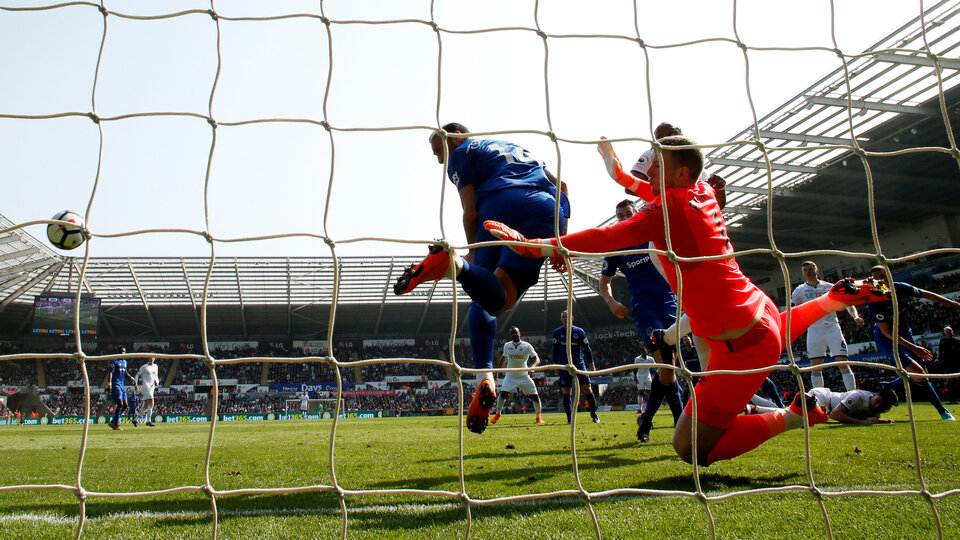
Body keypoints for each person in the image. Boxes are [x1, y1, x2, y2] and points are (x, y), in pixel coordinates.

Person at [485, 135, 891, 465]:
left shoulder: (669, 209)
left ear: (679, 172)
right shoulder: (700, 192)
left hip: (740, 344)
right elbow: (643, 188)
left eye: (658, 164)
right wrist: (619, 173)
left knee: (690, 449)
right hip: (754, 313)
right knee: (764, 335)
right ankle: (832, 299)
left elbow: (605, 237)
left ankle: (792, 417)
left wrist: (536, 247)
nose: (651, 171)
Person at [394, 122, 570, 435]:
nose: (439, 160)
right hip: (543, 209)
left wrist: (471, 254)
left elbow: (470, 210)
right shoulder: (521, 150)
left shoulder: (463, 151)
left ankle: (455, 265)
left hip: (497, 208)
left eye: (439, 150)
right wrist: (560, 241)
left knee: (488, 290)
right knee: (493, 296)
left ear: (455, 136)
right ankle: (484, 380)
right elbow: (564, 187)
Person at [599, 199, 683, 442]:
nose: (625, 216)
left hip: (670, 304)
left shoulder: (654, 235)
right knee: (666, 365)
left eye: (628, 212)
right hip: (645, 309)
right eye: (620, 215)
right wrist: (611, 302)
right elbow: (604, 282)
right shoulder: (616, 245)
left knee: (669, 370)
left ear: (637, 213)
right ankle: (680, 422)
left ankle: (646, 420)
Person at [867, 266, 958, 421]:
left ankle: (891, 386)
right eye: (876, 278)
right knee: (919, 374)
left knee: (923, 376)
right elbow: (887, 332)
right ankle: (943, 411)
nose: (880, 280)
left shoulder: (901, 288)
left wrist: (954, 304)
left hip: (905, 334)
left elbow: (927, 294)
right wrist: (914, 348)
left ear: (889, 275)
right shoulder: (875, 300)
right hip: (888, 340)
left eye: (882, 276)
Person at [791, 261, 864, 392]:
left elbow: (848, 303)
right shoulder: (799, 290)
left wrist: (855, 317)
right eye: (805, 270)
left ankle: (852, 394)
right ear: (803, 273)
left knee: (843, 362)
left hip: (832, 329)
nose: (808, 272)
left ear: (817, 270)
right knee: (815, 366)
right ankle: (819, 398)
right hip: (814, 330)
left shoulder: (830, 287)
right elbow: (792, 309)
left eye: (810, 269)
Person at [748, 387, 897, 425]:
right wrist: (862, 422)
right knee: (802, 417)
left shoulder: (875, 406)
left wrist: (878, 420)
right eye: (878, 401)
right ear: (875, 395)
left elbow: (874, 415)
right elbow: (835, 414)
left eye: (883, 407)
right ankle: (753, 402)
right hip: (823, 398)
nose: (878, 406)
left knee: (792, 413)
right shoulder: (859, 397)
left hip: (826, 404)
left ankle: (755, 408)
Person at [553, 310, 600, 424]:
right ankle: (570, 418)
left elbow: (587, 349)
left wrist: (591, 364)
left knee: (587, 389)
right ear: (561, 319)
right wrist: (555, 366)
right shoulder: (557, 333)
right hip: (565, 365)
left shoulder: (579, 332)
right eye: (563, 317)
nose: (565, 319)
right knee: (566, 391)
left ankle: (594, 415)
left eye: (567, 317)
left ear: (572, 318)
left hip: (579, 364)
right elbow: (555, 351)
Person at [491, 326, 545, 425]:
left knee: (535, 397)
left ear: (520, 333)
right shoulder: (507, 346)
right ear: (510, 335)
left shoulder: (527, 346)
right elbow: (504, 359)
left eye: (516, 332)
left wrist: (532, 367)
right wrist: (497, 372)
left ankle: (538, 417)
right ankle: (498, 414)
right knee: (503, 394)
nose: (515, 334)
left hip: (523, 376)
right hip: (510, 376)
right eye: (512, 333)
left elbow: (537, 359)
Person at [108, 347, 138, 431]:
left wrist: (131, 377)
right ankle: (116, 424)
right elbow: (110, 372)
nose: (123, 353)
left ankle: (113, 422)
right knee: (120, 404)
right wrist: (109, 383)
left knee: (125, 405)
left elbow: (124, 372)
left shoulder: (125, 362)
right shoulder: (114, 361)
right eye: (121, 352)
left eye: (124, 352)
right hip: (116, 384)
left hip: (122, 385)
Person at [937, 326, 960, 404]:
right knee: (950, 382)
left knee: (955, 381)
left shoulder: (957, 341)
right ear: (945, 333)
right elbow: (940, 352)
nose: (949, 333)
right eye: (947, 332)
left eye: (950, 331)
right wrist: (938, 359)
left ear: (952, 332)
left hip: (957, 363)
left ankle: (954, 399)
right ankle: (952, 399)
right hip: (948, 364)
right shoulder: (943, 341)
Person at [136, 357, 160, 427]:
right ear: (148, 359)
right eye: (150, 358)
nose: (151, 359)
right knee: (152, 402)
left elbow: (156, 376)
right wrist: (136, 384)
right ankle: (148, 421)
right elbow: (137, 374)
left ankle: (136, 419)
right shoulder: (144, 367)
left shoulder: (156, 366)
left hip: (152, 387)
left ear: (154, 359)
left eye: (153, 358)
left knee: (146, 405)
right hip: (146, 386)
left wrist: (157, 381)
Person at [633, 346, 655, 417]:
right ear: (640, 352)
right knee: (640, 392)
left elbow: (655, 366)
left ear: (647, 351)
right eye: (642, 351)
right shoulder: (637, 359)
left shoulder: (650, 359)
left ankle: (651, 408)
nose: (643, 352)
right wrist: (635, 377)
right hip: (640, 377)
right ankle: (639, 409)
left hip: (648, 376)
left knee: (650, 392)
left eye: (644, 350)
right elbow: (635, 369)